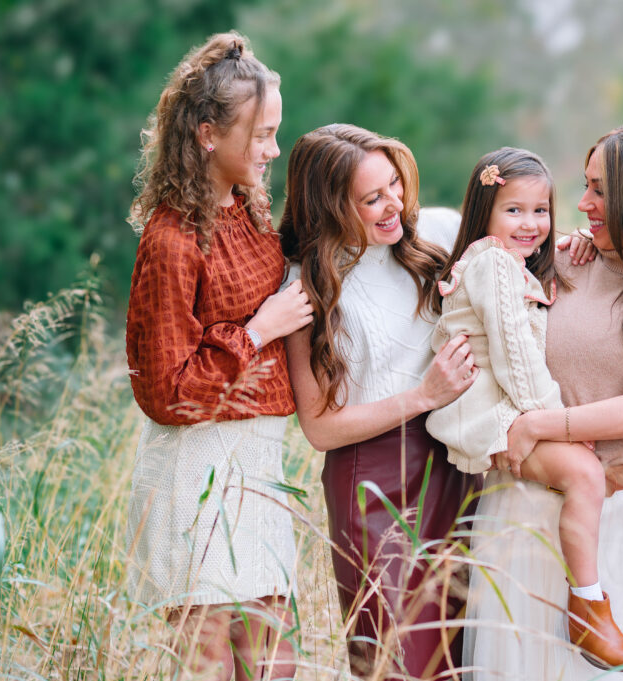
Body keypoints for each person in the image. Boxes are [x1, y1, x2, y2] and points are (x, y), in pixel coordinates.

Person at [464, 121, 623, 681]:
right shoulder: (560, 260)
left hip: (622, 521)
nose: (582, 204)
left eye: (600, 189)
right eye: (585, 186)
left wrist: (542, 426)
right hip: (521, 513)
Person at [125, 32, 312, 680]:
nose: (273, 149)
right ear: (208, 134)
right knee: (208, 667)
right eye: (260, 134)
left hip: (258, 468)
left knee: (274, 664)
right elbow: (166, 392)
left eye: (276, 131)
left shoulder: (253, 213)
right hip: (196, 474)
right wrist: (258, 331)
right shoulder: (171, 237)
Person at [426, 147, 623, 671]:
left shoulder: (509, 264)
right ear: (484, 212)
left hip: (507, 408)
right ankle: (590, 609)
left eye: (541, 210)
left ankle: (587, 607)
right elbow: (516, 359)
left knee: (582, 477)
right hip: (492, 412)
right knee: (586, 476)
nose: (531, 224)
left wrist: (572, 244)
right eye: (514, 210)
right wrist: (561, 425)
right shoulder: (495, 266)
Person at [278, 123, 479, 679]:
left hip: (457, 463)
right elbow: (319, 427)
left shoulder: (437, 234)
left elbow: (525, 239)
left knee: (468, 648)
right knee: (395, 657)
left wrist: (573, 244)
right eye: (372, 198)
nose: (394, 204)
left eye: (395, 184)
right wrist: (422, 396)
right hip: (372, 482)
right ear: (329, 206)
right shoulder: (305, 289)